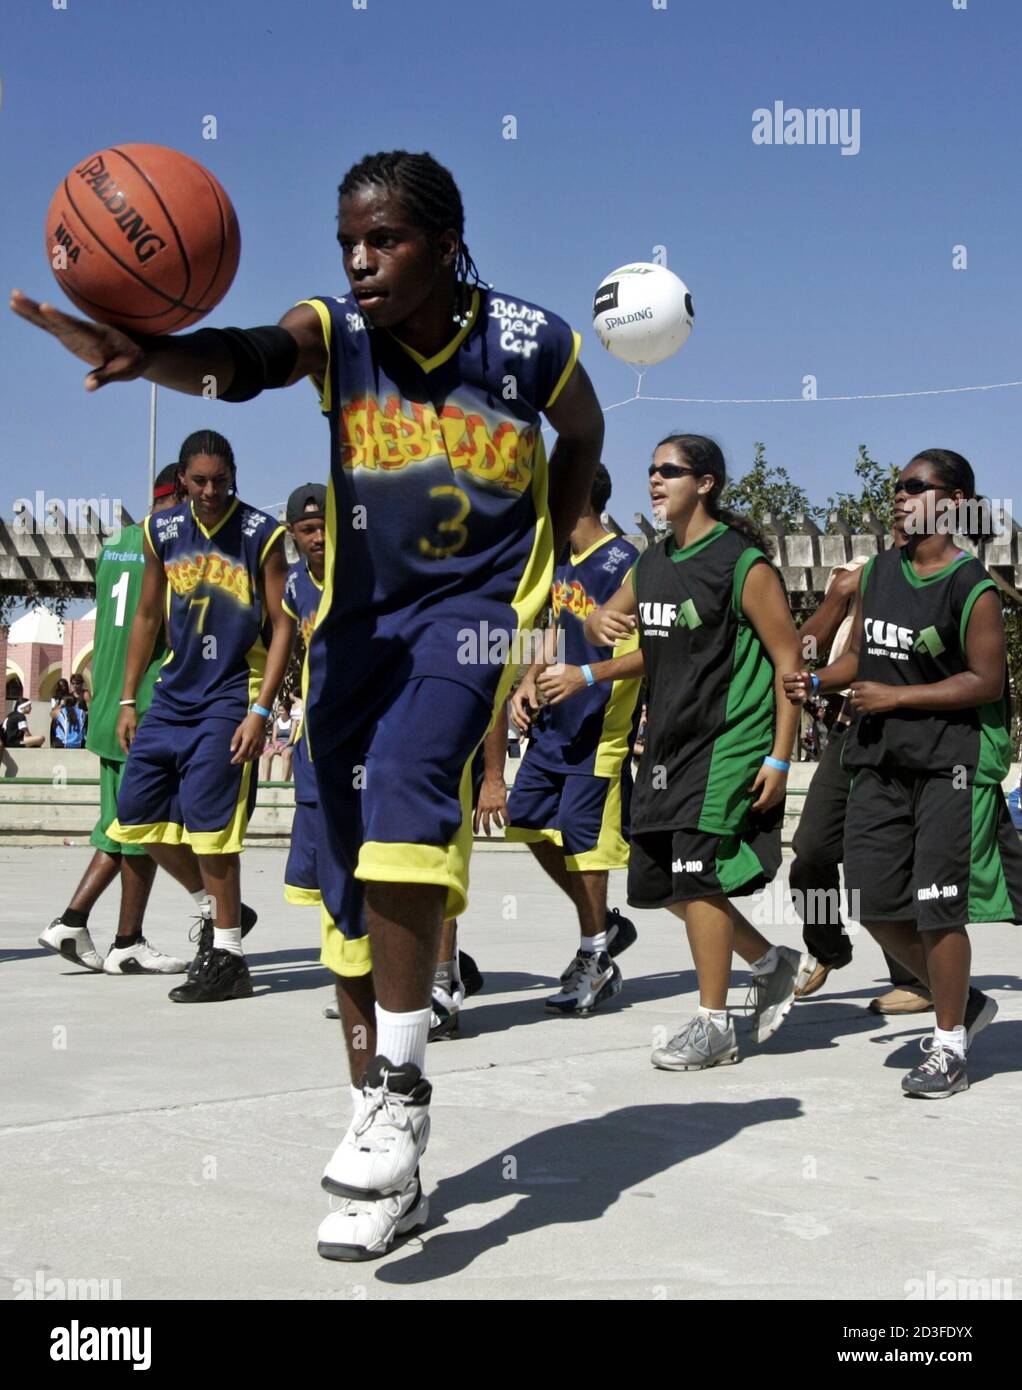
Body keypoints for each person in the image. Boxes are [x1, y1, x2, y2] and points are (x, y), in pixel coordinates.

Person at [13, 149, 604, 1257]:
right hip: (357, 628)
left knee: (413, 790)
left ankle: (403, 1088)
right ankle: (383, 1150)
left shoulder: (530, 342)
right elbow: (246, 359)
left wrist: (559, 561)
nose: (361, 260)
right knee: (342, 907)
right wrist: (150, 359)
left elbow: (583, 432)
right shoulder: (337, 335)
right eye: (347, 242)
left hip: (473, 611)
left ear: (443, 240)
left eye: (383, 240)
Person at [786, 449, 1017, 1098]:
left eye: (915, 487)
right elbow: (858, 655)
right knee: (869, 899)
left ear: (956, 502)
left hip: (946, 766)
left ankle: (948, 1047)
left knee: (938, 910)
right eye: (897, 486)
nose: (899, 495)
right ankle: (964, 1004)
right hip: (878, 762)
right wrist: (812, 678)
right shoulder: (880, 572)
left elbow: (985, 681)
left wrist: (895, 698)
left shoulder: (973, 588)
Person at [584, 434, 815, 1071]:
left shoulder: (742, 564)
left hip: (727, 743)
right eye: (651, 470)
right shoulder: (651, 562)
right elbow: (611, 622)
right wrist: (594, 625)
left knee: (699, 877)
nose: (655, 481)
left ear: (705, 483)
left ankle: (714, 1025)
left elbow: (788, 663)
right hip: (665, 746)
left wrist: (779, 757)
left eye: (670, 471)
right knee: (663, 887)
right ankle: (770, 963)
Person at [104, 430, 293, 1003]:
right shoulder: (159, 531)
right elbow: (144, 616)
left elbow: (284, 622)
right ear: (182, 481)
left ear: (234, 472)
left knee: (213, 830)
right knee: (135, 817)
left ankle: (230, 958)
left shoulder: (262, 533)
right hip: (173, 694)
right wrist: (130, 697)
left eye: (220, 479)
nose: (211, 491)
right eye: (199, 481)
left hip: (232, 694)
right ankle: (220, 911)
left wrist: (261, 709)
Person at [39, 465, 193, 974]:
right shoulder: (171, 548)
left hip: (106, 706)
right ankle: (92, 926)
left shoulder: (115, 546)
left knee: (122, 824)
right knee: (142, 823)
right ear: (178, 497)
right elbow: (165, 627)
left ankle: (107, 934)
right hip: (143, 706)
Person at [505, 463, 642, 1014]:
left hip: (597, 729)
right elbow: (554, 630)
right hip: (552, 727)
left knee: (588, 852)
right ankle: (603, 926)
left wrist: (586, 676)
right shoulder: (560, 561)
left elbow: (650, 653)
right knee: (526, 821)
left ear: (580, 496)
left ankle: (594, 956)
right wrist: (527, 680)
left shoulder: (627, 563)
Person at [789, 553, 933, 1012]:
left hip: (911, 730)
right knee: (811, 848)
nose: (905, 513)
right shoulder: (861, 571)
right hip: (850, 729)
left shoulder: (941, 578)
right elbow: (804, 650)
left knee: (889, 858)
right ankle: (828, 945)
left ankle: (916, 980)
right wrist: (837, 594)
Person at [259, 700, 294, 783]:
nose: (280, 712)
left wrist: (284, 746)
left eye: (282, 710)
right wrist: (276, 745)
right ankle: (265, 780)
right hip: (278, 744)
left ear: (287, 711)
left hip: (288, 744)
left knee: (286, 754)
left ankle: (284, 781)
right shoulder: (276, 722)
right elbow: (274, 738)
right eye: (279, 710)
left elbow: (291, 739)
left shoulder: (293, 722)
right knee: (267, 754)